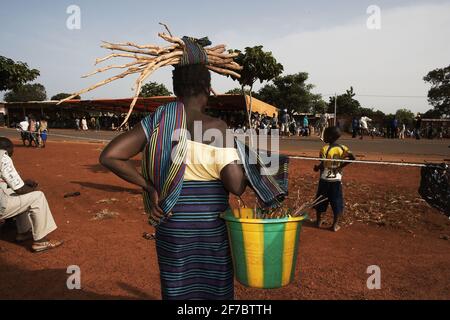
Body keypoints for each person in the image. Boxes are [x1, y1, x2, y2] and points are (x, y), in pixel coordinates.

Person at [100, 64, 247, 300]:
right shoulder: (217, 127)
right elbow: (235, 186)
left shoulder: (157, 123)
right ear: (208, 89)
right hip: (209, 227)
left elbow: (110, 156)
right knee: (215, 288)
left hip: (171, 223)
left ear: (176, 90)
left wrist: (149, 186)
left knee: (176, 285)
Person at [0, 137, 63, 252]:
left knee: (20, 196)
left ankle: (23, 232)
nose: (12, 153)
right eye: (12, 149)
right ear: (7, 148)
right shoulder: (3, 157)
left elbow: (7, 183)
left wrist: (24, 184)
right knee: (37, 197)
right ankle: (40, 242)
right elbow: (19, 189)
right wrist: (30, 189)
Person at [313, 127, 355, 232]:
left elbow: (323, 165)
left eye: (325, 135)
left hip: (324, 180)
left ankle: (318, 221)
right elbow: (353, 157)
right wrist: (340, 166)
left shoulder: (324, 149)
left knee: (321, 200)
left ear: (330, 137)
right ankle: (335, 225)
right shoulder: (342, 148)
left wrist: (317, 168)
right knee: (337, 202)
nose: (324, 137)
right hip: (336, 180)